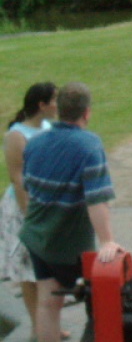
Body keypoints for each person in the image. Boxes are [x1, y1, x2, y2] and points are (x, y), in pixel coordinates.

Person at [20, 82, 123, 342]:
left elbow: (29, 188)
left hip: (36, 237)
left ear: (59, 110)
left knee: (47, 302)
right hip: (69, 245)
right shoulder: (88, 145)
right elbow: (96, 199)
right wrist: (107, 240)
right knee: (99, 302)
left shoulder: (34, 143)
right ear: (86, 112)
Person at [1, 83, 58, 340]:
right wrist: (29, 215)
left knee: (46, 270)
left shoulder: (49, 129)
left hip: (46, 204)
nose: (58, 105)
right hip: (23, 207)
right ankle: (38, 326)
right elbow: (17, 177)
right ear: (42, 105)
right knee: (27, 271)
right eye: (54, 100)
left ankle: (49, 324)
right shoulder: (16, 135)